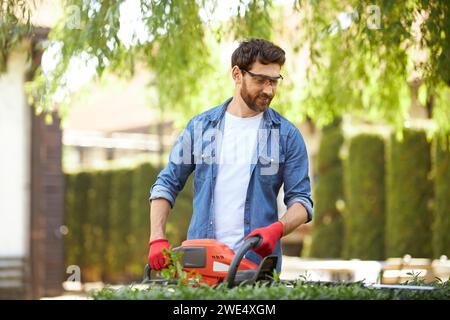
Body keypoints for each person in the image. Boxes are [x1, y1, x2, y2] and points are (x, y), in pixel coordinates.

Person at [148, 38, 313, 273]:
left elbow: (302, 202)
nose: (269, 90)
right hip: (201, 266)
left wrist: (278, 229)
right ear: (237, 74)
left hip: (256, 269)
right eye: (260, 80)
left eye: (274, 82)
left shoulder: (287, 136)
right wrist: (157, 238)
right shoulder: (201, 128)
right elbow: (166, 183)